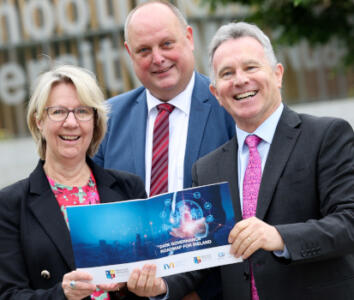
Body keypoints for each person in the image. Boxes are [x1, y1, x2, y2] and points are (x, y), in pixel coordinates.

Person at [126, 22, 354, 300]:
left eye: (251, 67)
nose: (240, 80)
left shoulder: (327, 136)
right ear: (216, 93)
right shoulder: (207, 168)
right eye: (227, 73)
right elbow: (203, 253)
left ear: (277, 74)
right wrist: (162, 286)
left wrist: (280, 237)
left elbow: (348, 222)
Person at [0, 65, 147, 300]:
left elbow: (149, 272)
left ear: (95, 122)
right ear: (39, 121)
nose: (71, 122)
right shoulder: (11, 203)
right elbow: (9, 296)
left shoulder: (129, 188)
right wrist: (62, 294)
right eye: (58, 112)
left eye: (82, 111)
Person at [93, 0, 234, 195]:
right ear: (129, 53)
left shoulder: (229, 105)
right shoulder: (107, 119)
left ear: (189, 38)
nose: (158, 58)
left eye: (166, 44)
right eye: (144, 50)